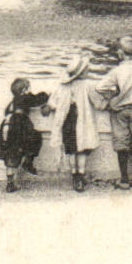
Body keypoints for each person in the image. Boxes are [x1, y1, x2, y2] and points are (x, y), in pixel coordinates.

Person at [93, 36, 132, 191]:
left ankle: (124, 180)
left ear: (120, 53)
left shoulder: (116, 71)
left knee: (121, 143)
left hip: (119, 111)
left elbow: (100, 87)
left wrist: (113, 98)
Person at [44, 54, 101, 192]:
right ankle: (80, 176)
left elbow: (52, 103)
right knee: (82, 149)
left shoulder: (62, 87)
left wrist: (48, 107)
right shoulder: (88, 85)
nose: (88, 71)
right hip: (82, 122)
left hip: (68, 122)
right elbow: (98, 102)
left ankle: (74, 175)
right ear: (82, 72)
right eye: (86, 69)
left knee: (71, 150)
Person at [0, 78, 48, 193]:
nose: (30, 91)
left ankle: (10, 183)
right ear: (24, 90)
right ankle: (28, 161)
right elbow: (38, 99)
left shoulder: (12, 101)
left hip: (6, 126)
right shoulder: (24, 97)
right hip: (19, 124)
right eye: (28, 88)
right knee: (36, 137)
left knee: (10, 153)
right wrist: (47, 94)